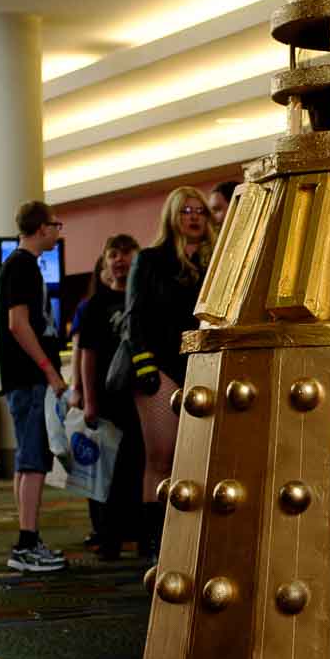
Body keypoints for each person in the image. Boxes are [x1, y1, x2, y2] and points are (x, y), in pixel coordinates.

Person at [127, 185, 214, 551]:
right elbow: (135, 318)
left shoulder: (218, 260)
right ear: (172, 217)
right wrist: (144, 365)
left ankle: (190, 538)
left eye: (200, 211)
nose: (194, 217)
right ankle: (155, 541)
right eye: (186, 211)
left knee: (199, 458)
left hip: (204, 364)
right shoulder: (150, 259)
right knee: (161, 457)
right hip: (159, 365)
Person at [0, 200, 70, 573]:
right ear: (42, 227)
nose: (60, 232)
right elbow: (19, 323)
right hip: (29, 378)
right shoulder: (23, 265)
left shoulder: (20, 265)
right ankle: (26, 544)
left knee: (27, 461)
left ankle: (28, 538)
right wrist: (50, 372)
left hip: (23, 378)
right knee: (34, 461)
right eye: (56, 225)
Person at [75, 234, 144, 559]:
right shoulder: (94, 306)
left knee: (139, 465)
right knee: (106, 470)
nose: (120, 260)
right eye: (113, 254)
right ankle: (108, 536)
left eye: (126, 254)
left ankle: (142, 534)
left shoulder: (143, 299)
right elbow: (86, 355)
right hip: (106, 397)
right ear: (105, 261)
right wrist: (88, 399)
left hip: (142, 395)